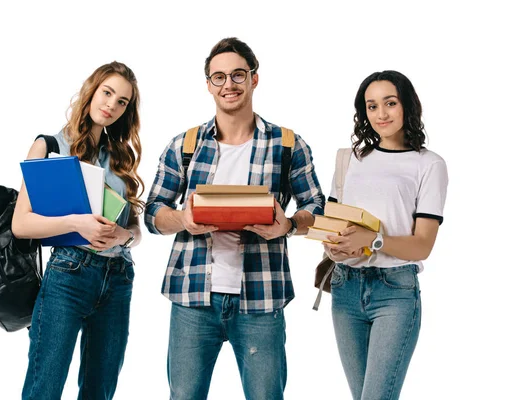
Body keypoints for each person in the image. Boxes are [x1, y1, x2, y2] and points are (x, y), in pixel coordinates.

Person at [144, 37, 324, 400]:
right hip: (194, 298)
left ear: (254, 79)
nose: (229, 85)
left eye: (238, 75)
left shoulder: (288, 145)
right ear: (208, 85)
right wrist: (183, 220)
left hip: (261, 298)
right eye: (219, 77)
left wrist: (288, 225)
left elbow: (317, 207)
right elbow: (152, 212)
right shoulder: (185, 144)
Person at [12, 61, 144, 400]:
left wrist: (123, 236)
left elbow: (136, 231)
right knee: (45, 388)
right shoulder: (50, 146)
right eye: (108, 93)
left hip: (118, 278)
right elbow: (21, 223)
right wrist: (76, 223)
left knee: (100, 391)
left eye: (122, 102)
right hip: (69, 274)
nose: (111, 105)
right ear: (92, 91)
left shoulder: (121, 157)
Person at [324, 70, 448, 400]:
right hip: (344, 287)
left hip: (394, 290)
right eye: (372, 106)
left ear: (407, 105)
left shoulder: (428, 165)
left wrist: (373, 240)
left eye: (390, 103)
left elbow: (423, 245)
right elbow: (333, 224)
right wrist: (332, 248)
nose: (381, 114)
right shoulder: (348, 160)